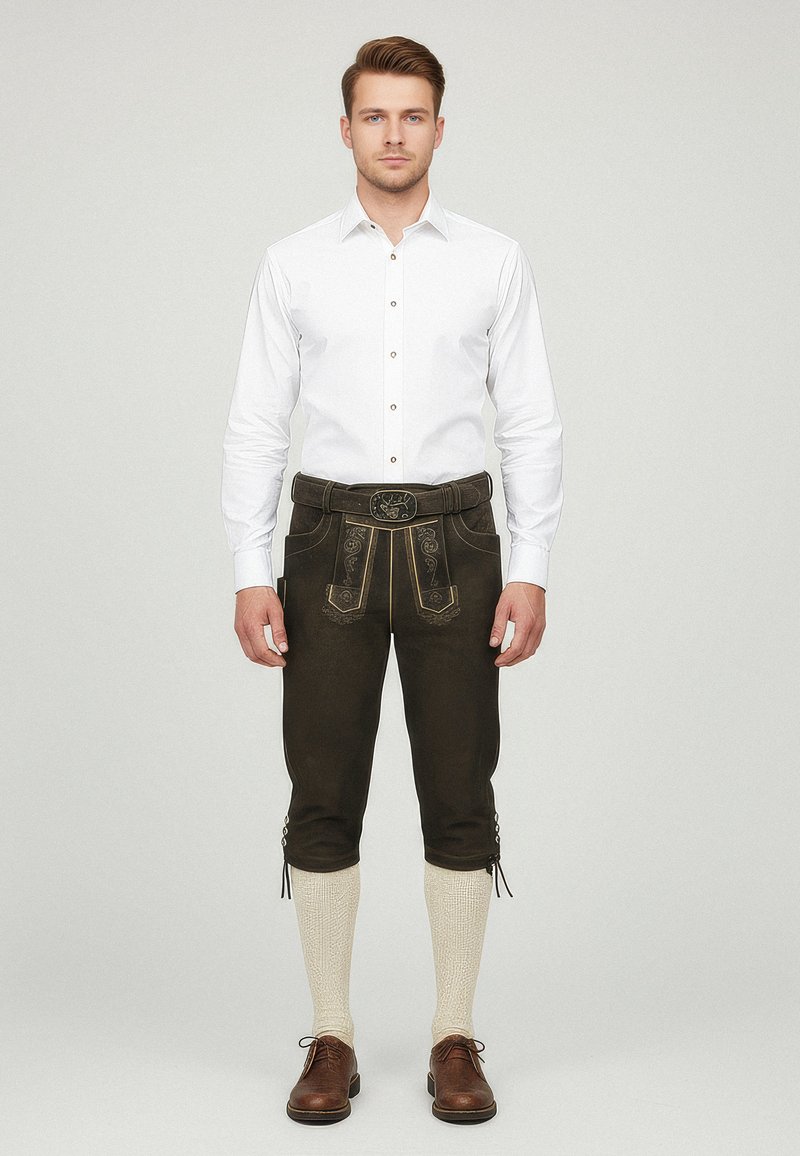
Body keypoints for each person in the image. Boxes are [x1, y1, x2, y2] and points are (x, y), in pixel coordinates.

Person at [220, 35, 564, 1126]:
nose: (394, 134)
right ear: (346, 129)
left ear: (439, 128)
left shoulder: (493, 260)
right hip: (325, 544)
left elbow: (529, 419)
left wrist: (531, 566)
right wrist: (249, 568)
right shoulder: (293, 263)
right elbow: (256, 422)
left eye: (413, 115)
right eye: (374, 115)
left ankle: (453, 1035)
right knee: (322, 791)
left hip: (457, 544)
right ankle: (331, 1034)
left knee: (459, 789)